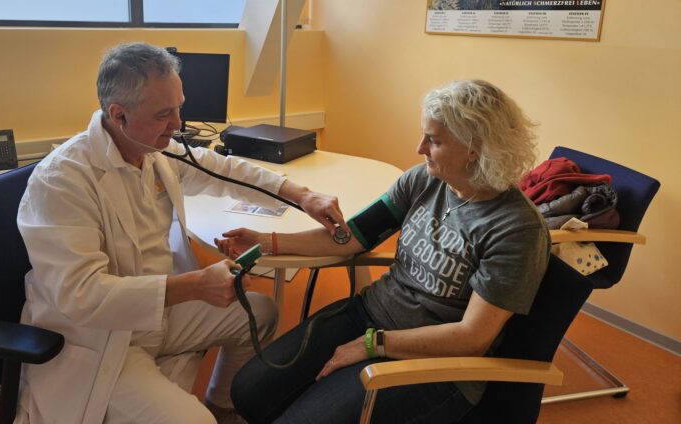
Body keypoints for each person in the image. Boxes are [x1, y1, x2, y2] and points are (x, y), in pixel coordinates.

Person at [11, 43, 345, 424]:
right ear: (118, 115)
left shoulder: (155, 149)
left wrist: (303, 195)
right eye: (163, 114)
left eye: (179, 107)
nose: (178, 124)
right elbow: (80, 295)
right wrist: (195, 285)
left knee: (262, 312)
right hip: (103, 336)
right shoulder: (63, 181)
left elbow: (226, 169)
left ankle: (223, 404)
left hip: (160, 312)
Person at [217, 80, 550, 424]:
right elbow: (353, 237)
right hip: (369, 315)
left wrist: (372, 345)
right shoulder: (423, 180)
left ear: (475, 148)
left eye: (433, 140)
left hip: (435, 363)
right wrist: (267, 241)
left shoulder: (516, 229)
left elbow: (472, 338)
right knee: (247, 390)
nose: (419, 147)